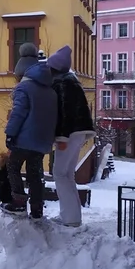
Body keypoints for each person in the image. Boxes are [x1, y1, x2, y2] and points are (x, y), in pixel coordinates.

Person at [47, 45, 96, 227]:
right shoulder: (73, 82)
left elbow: (64, 113)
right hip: (80, 131)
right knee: (68, 175)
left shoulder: (62, 84)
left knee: (59, 174)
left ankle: (70, 218)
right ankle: (73, 217)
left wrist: (61, 138)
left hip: (69, 133)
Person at [3, 59, 57, 219]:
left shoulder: (23, 88)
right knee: (35, 173)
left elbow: (18, 112)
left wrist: (10, 133)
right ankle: (37, 208)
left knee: (13, 166)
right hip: (43, 140)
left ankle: (19, 203)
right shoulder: (51, 91)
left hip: (24, 138)